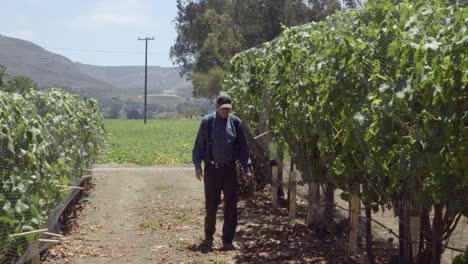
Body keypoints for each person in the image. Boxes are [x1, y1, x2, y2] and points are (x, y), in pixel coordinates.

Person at [192, 94, 251, 251]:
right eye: (223, 108)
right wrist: (197, 165)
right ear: (216, 106)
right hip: (212, 170)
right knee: (211, 205)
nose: (225, 111)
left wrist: (247, 168)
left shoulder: (236, 122)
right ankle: (209, 236)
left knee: (231, 205)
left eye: (228, 109)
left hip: (230, 169)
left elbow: (244, 148)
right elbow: (198, 146)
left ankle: (227, 240)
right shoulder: (207, 122)